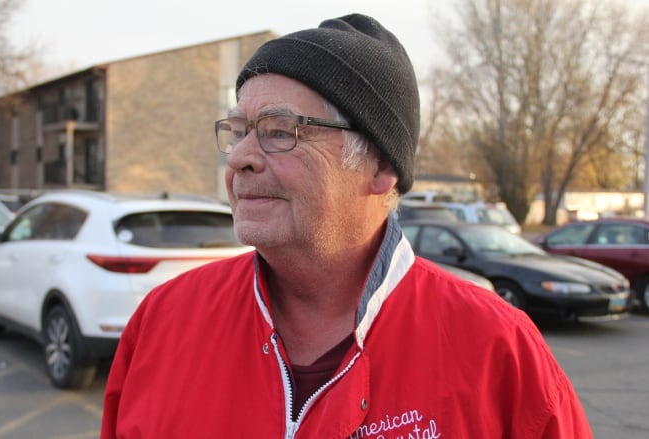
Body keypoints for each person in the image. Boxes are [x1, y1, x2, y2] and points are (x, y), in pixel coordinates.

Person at [101, 13, 593, 438]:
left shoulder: (496, 350)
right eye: (238, 131)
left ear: (379, 167)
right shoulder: (162, 322)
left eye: (279, 131)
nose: (242, 159)